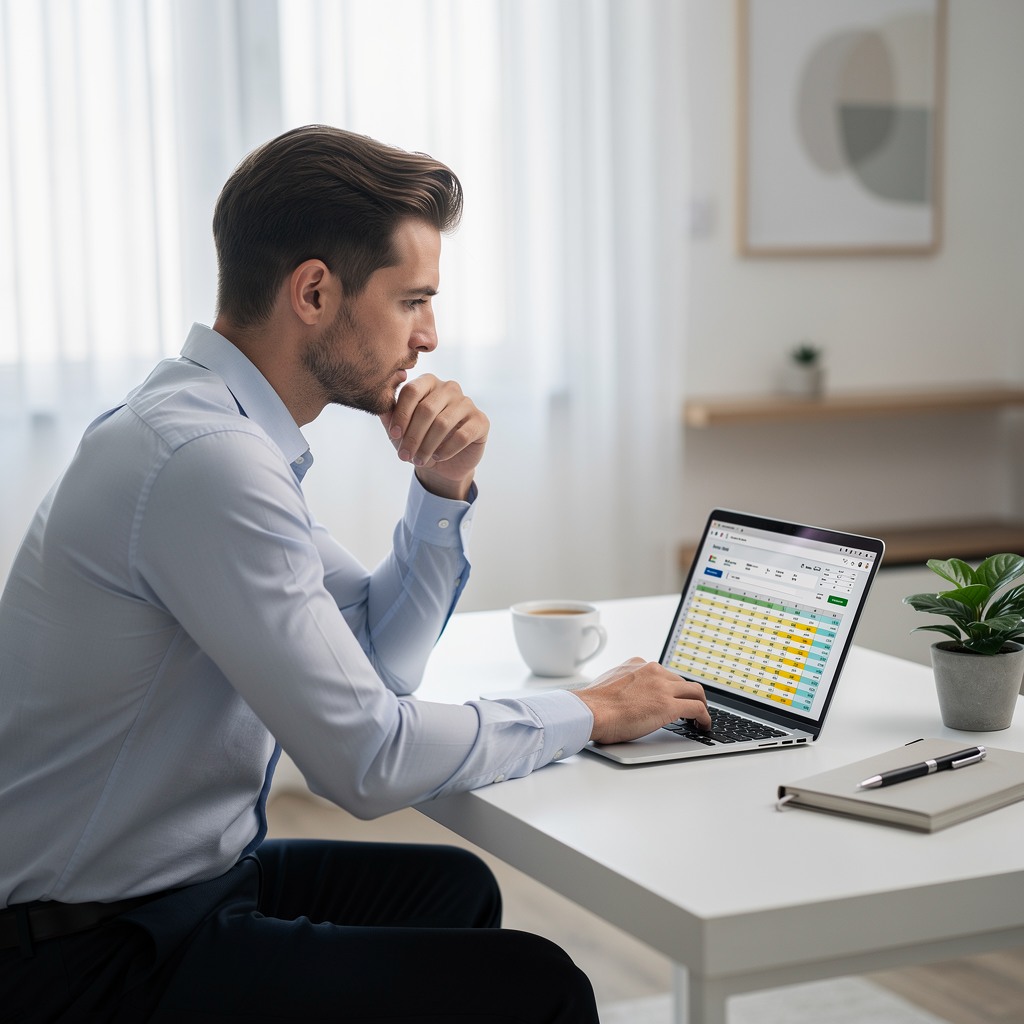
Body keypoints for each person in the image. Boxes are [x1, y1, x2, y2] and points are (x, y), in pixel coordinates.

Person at [0, 124, 710, 1022]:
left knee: (450, 895)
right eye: (413, 298)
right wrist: (589, 712)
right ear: (313, 291)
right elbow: (366, 762)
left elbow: (375, 660)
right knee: (540, 988)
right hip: (84, 956)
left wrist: (440, 490)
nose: (431, 335)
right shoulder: (206, 460)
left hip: (172, 892)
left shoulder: (210, 426)